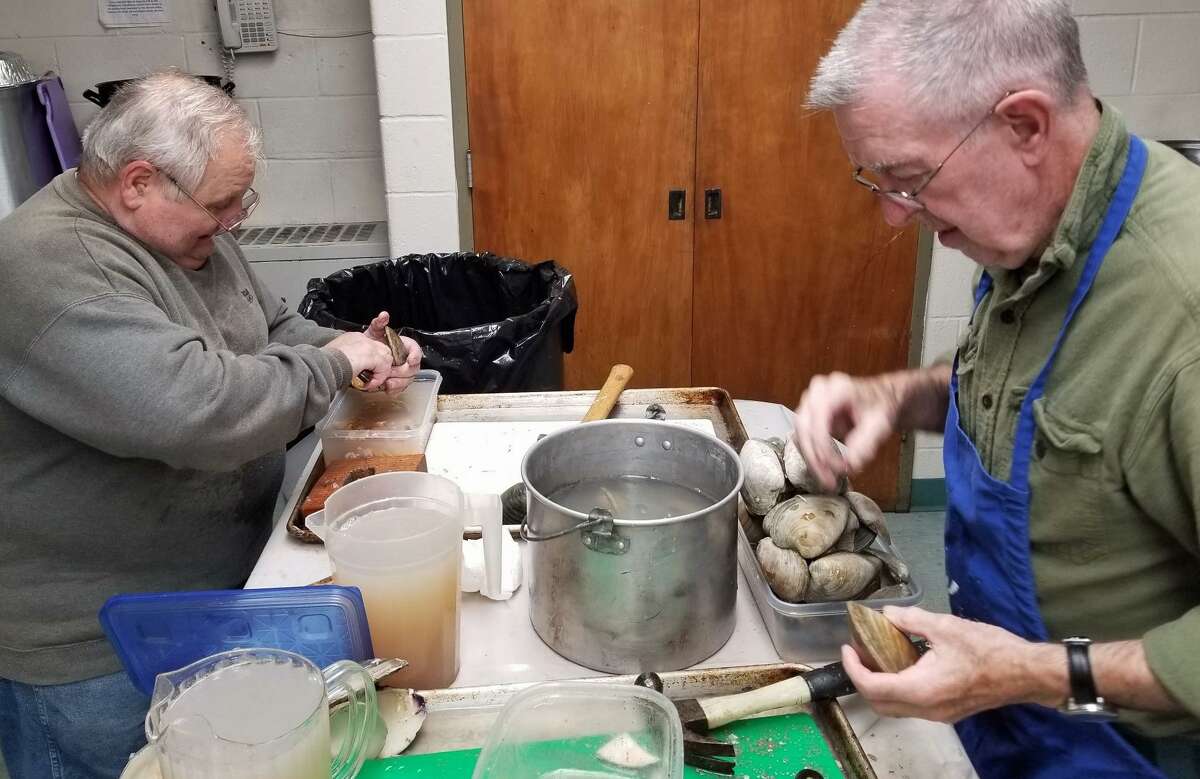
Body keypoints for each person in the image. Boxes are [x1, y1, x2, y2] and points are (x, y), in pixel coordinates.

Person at [793, 1, 1200, 777]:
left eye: (908, 180)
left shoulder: (1183, 308)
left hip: (1128, 750)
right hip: (1003, 710)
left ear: (1026, 126)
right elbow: (1042, 394)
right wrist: (899, 394)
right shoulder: (1041, 221)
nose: (891, 216)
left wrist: (1034, 672)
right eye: (875, 181)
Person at [0, 71, 422, 778]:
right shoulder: (48, 265)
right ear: (138, 182)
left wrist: (360, 351)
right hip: (93, 651)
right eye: (223, 203)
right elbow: (194, 409)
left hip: (215, 600)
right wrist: (331, 367)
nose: (236, 220)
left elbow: (272, 328)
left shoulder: (185, 234)